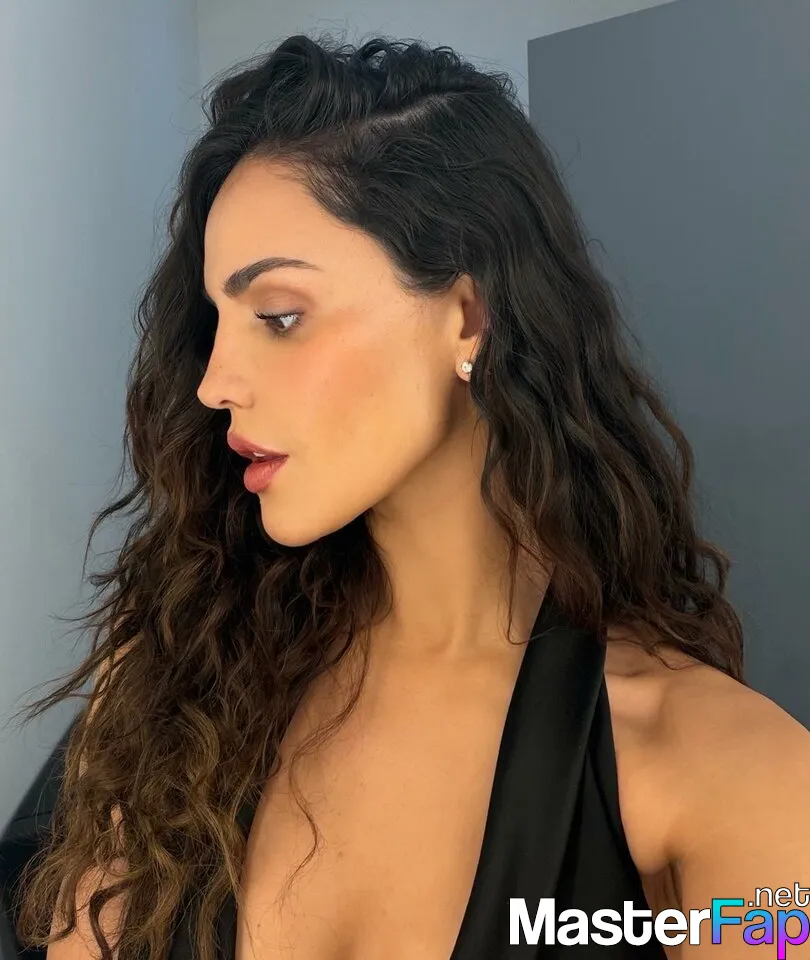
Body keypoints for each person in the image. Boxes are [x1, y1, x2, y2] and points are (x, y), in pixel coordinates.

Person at [10, 31, 809, 960]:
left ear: (468, 316)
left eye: (278, 316)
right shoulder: (171, 685)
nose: (215, 382)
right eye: (216, 323)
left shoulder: (735, 778)